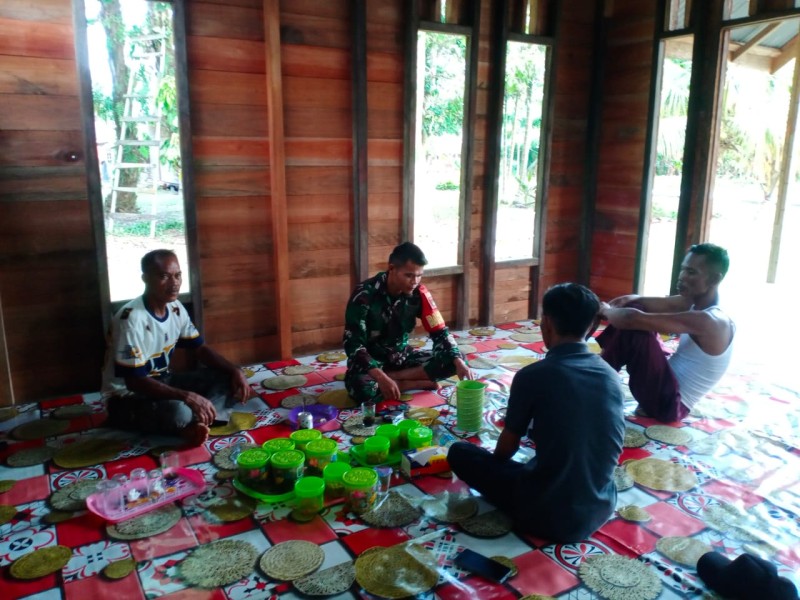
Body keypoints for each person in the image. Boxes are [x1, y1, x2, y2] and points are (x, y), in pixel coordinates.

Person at [447, 283, 625, 542]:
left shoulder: (533, 376)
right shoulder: (611, 375)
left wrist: (499, 471)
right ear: (592, 327)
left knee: (460, 452)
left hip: (546, 515)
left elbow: (505, 451)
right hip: (600, 506)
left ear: (547, 323)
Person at [102, 249, 253, 446]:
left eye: (177, 275)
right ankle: (193, 420)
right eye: (164, 276)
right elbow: (135, 383)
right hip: (127, 396)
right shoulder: (131, 319)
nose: (174, 283)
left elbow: (200, 349)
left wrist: (235, 370)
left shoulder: (175, 308)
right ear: (145, 278)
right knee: (178, 411)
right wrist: (187, 396)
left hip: (164, 380)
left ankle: (198, 420)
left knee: (227, 378)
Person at [597, 243, 735, 422]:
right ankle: (596, 371)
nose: (682, 277)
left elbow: (631, 319)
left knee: (635, 329)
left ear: (715, 279)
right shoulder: (694, 302)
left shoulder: (711, 321)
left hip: (670, 405)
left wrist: (605, 311)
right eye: (683, 269)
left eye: (691, 272)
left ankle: (591, 378)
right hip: (665, 388)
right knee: (635, 310)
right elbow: (636, 302)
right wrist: (617, 304)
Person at [343, 242, 472, 404]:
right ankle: (408, 384)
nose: (415, 281)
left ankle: (396, 380)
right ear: (392, 269)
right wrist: (379, 375)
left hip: (402, 358)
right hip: (372, 362)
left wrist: (458, 361)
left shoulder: (420, 294)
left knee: (457, 359)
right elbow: (354, 345)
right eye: (409, 275)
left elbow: (440, 332)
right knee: (361, 389)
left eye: (419, 275)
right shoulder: (364, 295)